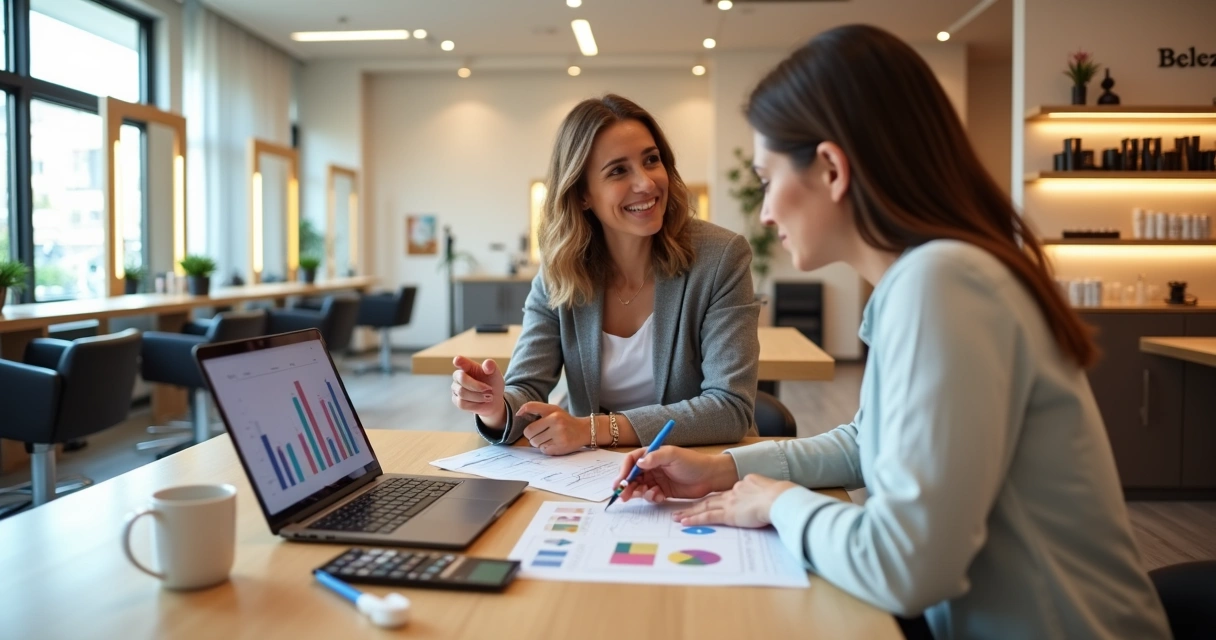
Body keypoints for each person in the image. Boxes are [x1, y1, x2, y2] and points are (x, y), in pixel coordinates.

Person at [612, 25, 1170, 640]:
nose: (766, 211)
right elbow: (864, 442)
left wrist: (775, 502)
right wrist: (721, 469)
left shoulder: (944, 282)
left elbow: (905, 567)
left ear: (830, 169)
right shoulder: (931, 274)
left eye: (769, 180)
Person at [451, 94, 760, 456]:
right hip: (595, 474)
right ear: (583, 194)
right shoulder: (560, 271)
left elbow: (730, 408)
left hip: (701, 465)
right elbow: (527, 389)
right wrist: (495, 408)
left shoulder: (721, 257)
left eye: (651, 160)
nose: (646, 183)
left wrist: (592, 429)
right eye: (618, 171)